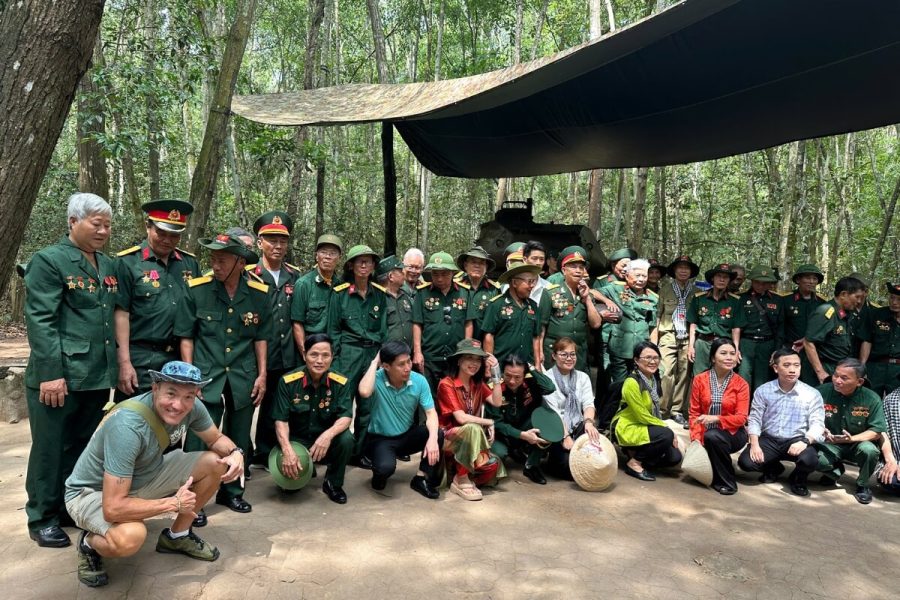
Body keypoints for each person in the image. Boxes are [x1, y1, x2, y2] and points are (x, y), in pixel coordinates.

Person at [63, 361, 245, 587]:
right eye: (171, 393)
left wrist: (236, 453)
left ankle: (178, 536)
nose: (178, 405)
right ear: (155, 388)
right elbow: (113, 508)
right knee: (130, 537)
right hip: (92, 493)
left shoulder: (193, 406)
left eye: (188, 396)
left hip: (144, 474)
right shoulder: (128, 426)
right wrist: (173, 504)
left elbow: (216, 438)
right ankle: (89, 543)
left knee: (215, 463)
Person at [23, 193, 117, 548]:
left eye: (108, 225)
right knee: (50, 448)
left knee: (81, 446)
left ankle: (67, 507)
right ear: (73, 222)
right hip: (58, 377)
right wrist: (50, 374)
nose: (103, 231)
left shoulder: (107, 265)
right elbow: (41, 321)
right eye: (97, 224)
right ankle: (42, 517)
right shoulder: (49, 261)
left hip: (95, 375)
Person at [174, 232, 271, 518]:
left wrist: (262, 375)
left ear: (240, 263)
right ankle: (194, 499)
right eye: (213, 259)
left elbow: (260, 338)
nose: (215, 266)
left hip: (243, 374)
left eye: (222, 261)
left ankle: (232, 493)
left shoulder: (258, 294)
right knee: (200, 436)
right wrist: (190, 378)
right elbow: (187, 336)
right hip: (206, 374)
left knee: (239, 434)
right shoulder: (197, 290)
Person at [114, 200, 200, 400]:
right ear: (148, 226)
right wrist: (124, 362)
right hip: (141, 359)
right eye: (161, 233)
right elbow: (121, 313)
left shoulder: (190, 264)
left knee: (174, 415)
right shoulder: (127, 263)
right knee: (136, 414)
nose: (167, 240)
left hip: (179, 359)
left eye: (174, 235)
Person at [272, 334, 353, 504]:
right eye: (314, 354)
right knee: (290, 488)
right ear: (304, 355)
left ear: (332, 357)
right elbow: (281, 421)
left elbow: (346, 417)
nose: (319, 361)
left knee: (346, 438)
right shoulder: (288, 382)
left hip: (325, 442)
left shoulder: (341, 382)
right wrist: (287, 450)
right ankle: (306, 466)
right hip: (297, 440)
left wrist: (327, 436)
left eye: (325, 355)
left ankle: (333, 483)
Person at [249, 210, 302, 468]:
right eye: (272, 240)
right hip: (258, 354)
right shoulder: (250, 274)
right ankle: (245, 454)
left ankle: (271, 452)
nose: (278, 246)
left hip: (288, 353)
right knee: (251, 404)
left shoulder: (295, 275)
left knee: (282, 405)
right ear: (260, 242)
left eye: (283, 241)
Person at [358, 342, 444, 499]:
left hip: (406, 435)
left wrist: (432, 440)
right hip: (381, 439)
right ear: (386, 366)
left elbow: (431, 413)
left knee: (437, 434)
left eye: (409, 361)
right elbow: (364, 391)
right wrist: (375, 362)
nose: (408, 367)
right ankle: (379, 472)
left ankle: (421, 478)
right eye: (401, 364)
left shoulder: (419, 380)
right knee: (385, 469)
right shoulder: (376, 378)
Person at [327, 244, 387, 464]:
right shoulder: (340, 294)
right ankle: (336, 451)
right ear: (351, 266)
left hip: (371, 355)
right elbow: (333, 330)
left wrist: (379, 358)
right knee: (342, 404)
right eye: (359, 261)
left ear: (373, 266)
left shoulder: (379, 294)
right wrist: (335, 360)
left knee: (367, 406)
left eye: (368, 261)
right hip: (348, 354)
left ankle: (359, 453)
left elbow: (383, 330)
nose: (364, 265)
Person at [737, 348, 825, 497]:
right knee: (746, 463)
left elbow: (818, 424)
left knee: (809, 460)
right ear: (776, 368)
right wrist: (755, 444)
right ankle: (773, 468)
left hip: (797, 439)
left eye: (796, 365)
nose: (792, 370)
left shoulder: (812, 394)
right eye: (787, 365)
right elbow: (755, 419)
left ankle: (798, 479)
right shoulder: (763, 390)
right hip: (770, 439)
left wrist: (805, 441)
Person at [436, 339, 505, 500]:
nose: (474, 363)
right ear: (459, 360)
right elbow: (461, 418)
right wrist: (489, 422)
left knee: (493, 466)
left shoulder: (477, 384)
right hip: (448, 439)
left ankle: (459, 474)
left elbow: (497, 402)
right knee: (472, 428)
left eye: (478, 360)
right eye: (469, 358)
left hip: (471, 439)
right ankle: (462, 479)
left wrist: (495, 372)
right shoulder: (446, 384)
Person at [814, 359, 886, 504]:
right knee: (813, 458)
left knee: (870, 451)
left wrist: (852, 439)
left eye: (844, 378)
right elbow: (807, 417)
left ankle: (862, 485)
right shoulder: (821, 392)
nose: (837, 380)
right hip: (830, 443)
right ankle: (834, 471)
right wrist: (821, 429)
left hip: (857, 444)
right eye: (835, 375)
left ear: (859, 382)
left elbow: (876, 431)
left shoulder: (871, 398)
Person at [611, 341, 682, 481]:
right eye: (647, 358)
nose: (652, 361)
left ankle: (635, 452)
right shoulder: (631, 382)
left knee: (674, 458)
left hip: (644, 425)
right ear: (636, 360)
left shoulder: (653, 379)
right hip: (628, 425)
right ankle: (634, 463)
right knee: (666, 434)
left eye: (656, 358)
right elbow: (641, 415)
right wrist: (665, 427)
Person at [688, 338, 750, 495]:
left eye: (732, 354)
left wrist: (716, 418)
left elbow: (742, 418)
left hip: (733, 433)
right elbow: (694, 413)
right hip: (705, 431)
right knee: (709, 437)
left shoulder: (741, 384)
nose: (729, 357)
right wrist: (696, 438)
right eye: (723, 353)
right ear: (713, 358)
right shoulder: (700, 379)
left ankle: (727, 482)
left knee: (713, 436)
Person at [485, 354, 556, 484]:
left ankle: (531, 466)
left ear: (524, 375)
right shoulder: (495, 388)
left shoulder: (530, 381)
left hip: (524, 425)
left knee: (548, 424)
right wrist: (522, 435)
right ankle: (512, 451)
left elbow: (550, 387)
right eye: (508, 375)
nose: (512, 381)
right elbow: (497, 424)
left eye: (517, 377)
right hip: (501, 435)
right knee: (499, 454)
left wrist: (531, 368)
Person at [540, 337, 602, 479]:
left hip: (578, 423)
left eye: (572, 354)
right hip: (556, 427)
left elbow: (588, 404)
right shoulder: (547, 379)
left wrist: (588, 423)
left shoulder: (583, 377)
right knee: (568, 468)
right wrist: (566, 436)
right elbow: (554, 412)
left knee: (596, 457)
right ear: (554, 356)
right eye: (564, 354)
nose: (569, 358)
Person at [652, 255, 699, 425]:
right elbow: (658, 315)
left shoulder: (696, 292)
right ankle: (661, 409)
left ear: (691, 272)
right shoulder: (665, 290)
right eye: (680, 268)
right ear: (674, 271)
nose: (683, 271)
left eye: (687, 268)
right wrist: (654, 340)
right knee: (665, 372)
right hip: (668, 334)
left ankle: (677, 410)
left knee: (684, 373)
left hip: (688, 336)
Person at [412, 251, 469, 392]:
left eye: (444, 274)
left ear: (452, 273)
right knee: (428, 396)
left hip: (455, 357)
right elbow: (417, 323)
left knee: (454, 396)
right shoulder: (422, 293)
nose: (439, 278)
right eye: (435, 274)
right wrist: (417, 352)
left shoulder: (465, 293)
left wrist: (466, 351)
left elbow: (468, 323)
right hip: (430, 357)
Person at [540, 246, 602, 373]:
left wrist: (587, 299)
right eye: (573, 267)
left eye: (581, 267)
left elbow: (596, 324)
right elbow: (541, 326)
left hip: (578, 354)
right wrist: (539, 352)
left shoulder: (586, 294)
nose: (578, 271)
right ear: (564, 270)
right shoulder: (550, 293)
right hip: (554, 352)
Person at [600, 259, 659, 383]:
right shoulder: (616, 289)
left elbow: (653, 326)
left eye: (644, 276)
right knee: (618, 385)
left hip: (641, 351)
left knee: (639, 384)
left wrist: (653, 349)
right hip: (620, 348)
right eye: (637, 275)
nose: (641, 279)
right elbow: (592, 292)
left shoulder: (653, 298)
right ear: (627, 276)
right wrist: (607, 301)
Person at [804, 276, 866, 383]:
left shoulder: (848, 314)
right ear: (843, 294)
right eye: (857, 297)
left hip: (839, 369)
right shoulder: (826, 311)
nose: (859, 301)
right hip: (825, 367)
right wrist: (820, 372)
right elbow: (808, 342)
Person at [291, 234, 343, 361]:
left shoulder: (341, 286)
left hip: (335, 353)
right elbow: (297, 323)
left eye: (332, 253)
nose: (327, 257)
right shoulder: (303, 284)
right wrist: (305, 354)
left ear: (339, 258)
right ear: (316, 256)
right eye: (323, 252)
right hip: (311, 352)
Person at [480, 261, 542, 365]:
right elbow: (489, 336)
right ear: (514, 283)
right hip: (502, 365)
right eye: (529, 281)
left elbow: (536, 337)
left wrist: (537, 364)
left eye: (533, 281)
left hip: (527, 366)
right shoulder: (496, 304)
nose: (532, 286)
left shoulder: (533, 306)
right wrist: (489, 365)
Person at [687, 263, 744, 375]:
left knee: (722, 376)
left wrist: (736, 349)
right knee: (699, 376)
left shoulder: (735, 301)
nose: (722, 280)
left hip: (724, 345)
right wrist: (691, 346)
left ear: (729, 280)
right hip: (702, 344)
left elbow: (736, 328)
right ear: (713, 278)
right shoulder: (699, 298)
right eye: (719, 276)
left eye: (725, 277)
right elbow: (693, 324)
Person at [736, 266, 784, 395]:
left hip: (767, 345)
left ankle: (760, 407)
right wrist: (736, 347)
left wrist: (777, 349)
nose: (760, 286)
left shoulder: (778, 300)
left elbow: (781, 328)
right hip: (746, 344)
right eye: (757, 282)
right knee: (743, 378)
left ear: (770, 284)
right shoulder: (740, 298)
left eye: (764, 283)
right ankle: (743, 407)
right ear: (752, 281)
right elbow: (736, 326)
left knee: (762, 380)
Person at [782, 264, 827, 387]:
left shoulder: (822, 303)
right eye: (807, 278)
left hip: (813, 352)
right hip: (790, 350)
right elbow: (780, 327)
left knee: (810, 385)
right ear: (798, 280)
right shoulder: (786, 300)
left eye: (814, 279)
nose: (811, 282)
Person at [859, 282, 900, 397]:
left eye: (899, 299)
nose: (894, 302)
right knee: (870, 398)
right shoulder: (876, 314)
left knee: (897, 402)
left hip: (898, 369)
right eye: (892, 298)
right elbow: (867, 341)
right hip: (876, 367)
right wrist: (862, 366)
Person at [456, 246, 500, 340]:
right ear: (465, 265)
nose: (477, 265)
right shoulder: (455, 287)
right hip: (458, 343)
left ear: (486, 267)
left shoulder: (494, 290)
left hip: (485, 343)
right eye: (473, 262)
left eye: (481, 263)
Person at [378, 255, 414, 349]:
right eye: (401, 271)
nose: (404, 273)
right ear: (391, 276)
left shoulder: (405, 296)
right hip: (388, 354)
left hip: (408, 353)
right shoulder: (378, 299)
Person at [875, 385, 900, 494]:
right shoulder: (891, 400)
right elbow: (883, 432)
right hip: (896, 458)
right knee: (890, 480)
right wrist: (891, 461)